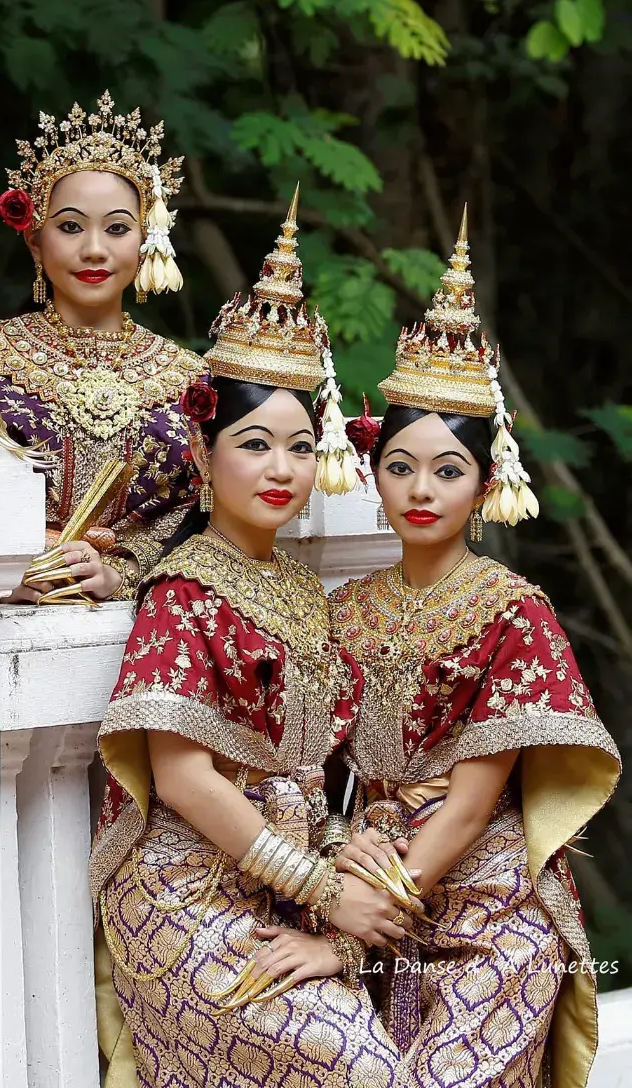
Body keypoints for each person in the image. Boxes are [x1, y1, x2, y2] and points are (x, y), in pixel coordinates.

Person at [89, 192, 414, 1088]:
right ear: (201, 455)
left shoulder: (307, 590)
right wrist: (325, 892)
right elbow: (184, 778)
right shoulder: (182, 592)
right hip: (186, 892)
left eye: (301, 447)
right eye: (254, 444)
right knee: (363, 1070)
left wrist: (347, 850)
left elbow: (334, 767)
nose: (282, 470)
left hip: (292, 878)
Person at [327, 211, 621, 1087]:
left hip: (483, 889)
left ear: (487, 484)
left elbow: (468, 803)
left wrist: (370, 902)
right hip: (362, 860)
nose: (421, 490)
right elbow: (314, 770)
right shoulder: (337, 609)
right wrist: (337, 853)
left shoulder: (512, 613)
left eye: (448, 470)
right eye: (401, 467)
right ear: (371, 470)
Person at [0, 92, 206, 603]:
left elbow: (206, 514)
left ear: (147, 239)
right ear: (34, 239)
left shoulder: (191, 380)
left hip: (142, 632)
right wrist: (7, 563)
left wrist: (124, 573)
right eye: (70, 227)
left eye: (117, 228)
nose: (94, 248)